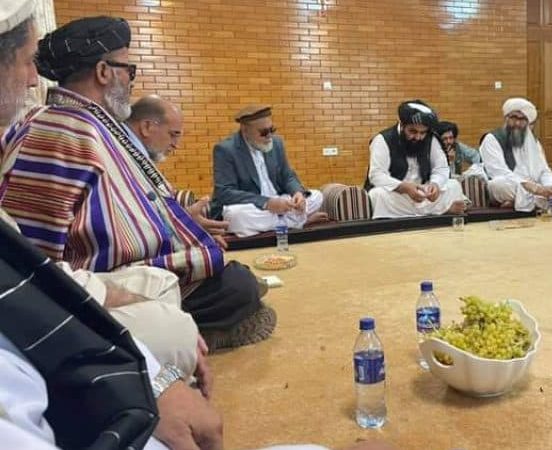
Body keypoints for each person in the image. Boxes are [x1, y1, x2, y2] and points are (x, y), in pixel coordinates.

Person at [0, 16, 274, 351]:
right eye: (129, 70)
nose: (131, 81)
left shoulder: (93, 122)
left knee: (233, 279)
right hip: (104, 280)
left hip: (133, 267)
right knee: (235, 286)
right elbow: (37, 253)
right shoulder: (58, 131)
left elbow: (128, 200)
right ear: (104, 72)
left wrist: (182, 222)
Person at [124, 94, 231, 249]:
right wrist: (184, 225)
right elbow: (132, 226)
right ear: (146, 127)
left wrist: (189, 226)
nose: (176, 145)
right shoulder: (121, 156)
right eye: (173, 134)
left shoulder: (135, 154)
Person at [211, 104, 328, 237]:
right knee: (235, 216)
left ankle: (281, 223)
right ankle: (300, 221)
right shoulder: (226, 150)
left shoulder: (276, 143)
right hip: (254, 206)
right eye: (263, 132)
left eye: (272, 130)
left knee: (317, 196)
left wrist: (297, 193)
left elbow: (287, 176)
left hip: (280, 203)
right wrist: (267, 203)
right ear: (245, 130)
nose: (269, 136)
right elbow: (224, 192)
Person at [365, 100, 466, 218]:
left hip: (423, 193)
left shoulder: (431, 139)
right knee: (377, 195)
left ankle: (424, 212)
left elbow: (441, 168)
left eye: (423, 132)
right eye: (413, 131)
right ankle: (440, 210)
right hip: (398, 193)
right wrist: (404, 187)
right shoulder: (383, 140)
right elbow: (376, 175)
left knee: (453, 185)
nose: (418, 137)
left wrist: (435, 184)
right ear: (402, 125)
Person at [479, 97, 552, 211]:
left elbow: (543, 170)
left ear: (528, 122)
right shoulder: (492, 139)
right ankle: (543, 202)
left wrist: (551, 186)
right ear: (506, 118)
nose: (517, 123)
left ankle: (518, 202)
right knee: (497, 185)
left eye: (522, 119)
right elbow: (498, 171)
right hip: (512, 185)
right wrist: (536, 189)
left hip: (535, 187)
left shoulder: (533, 142)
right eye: (514, 117)